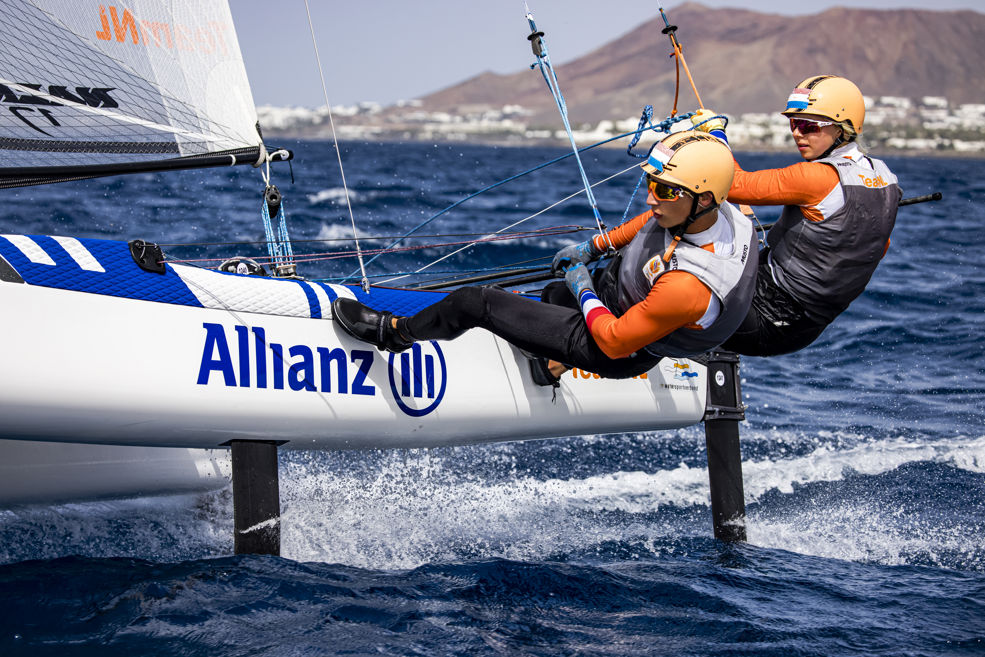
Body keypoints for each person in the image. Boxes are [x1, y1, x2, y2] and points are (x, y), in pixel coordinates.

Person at [331, 131, 758, 386]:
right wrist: (595, 247)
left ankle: (393, 333)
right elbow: (650, 221)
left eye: (664, 190)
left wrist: (583, 284)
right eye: (650, 182)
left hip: (615, 350)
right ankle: (550, 367)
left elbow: (612, 339)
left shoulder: (687, 286)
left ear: (702, 199)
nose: (651, 196)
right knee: (554, 292)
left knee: (476, 303)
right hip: (626, 304)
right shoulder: (728, 212)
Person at [693, 75, 902, 356]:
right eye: (793, 123)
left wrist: (715, 135)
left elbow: (732, 185)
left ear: (842, 129)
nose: (797, 133)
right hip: (804, 328)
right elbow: (879, 245)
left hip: (764, 316)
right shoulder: (886, 178)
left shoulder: (816, 177)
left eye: (808, 125)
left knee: (664, 269)